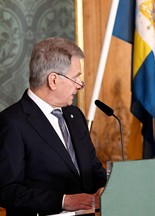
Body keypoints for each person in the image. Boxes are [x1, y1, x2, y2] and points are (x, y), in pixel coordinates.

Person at [0, 37, 107, 216]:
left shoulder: (75, 115)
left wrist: (105, 188)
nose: (80, 85)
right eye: (75, 78)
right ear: (53, 80)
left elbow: (93, 168)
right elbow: (7, 190)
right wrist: (64, 201)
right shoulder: (12, 122)